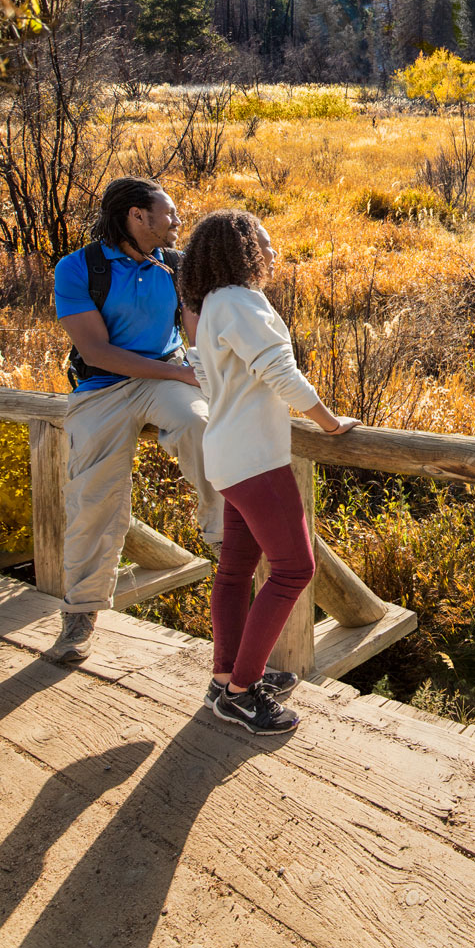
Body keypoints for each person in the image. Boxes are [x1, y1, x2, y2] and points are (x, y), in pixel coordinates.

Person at [181, 208, 358, 735]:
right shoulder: (241, 300)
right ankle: (240, 693)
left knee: (235, 572)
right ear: (242, 250)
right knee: (294, 570)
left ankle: (224, 677)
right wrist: (328, 422)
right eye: (265, 241)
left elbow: (210, 382)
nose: (274, 251)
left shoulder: (212, 303)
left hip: (228, 458)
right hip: (256, 461)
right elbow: (280, 370)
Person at [50, 176, 225, 664]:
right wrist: (181, 374)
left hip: (165, 379)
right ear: (137, 216)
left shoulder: (176, 266)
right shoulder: (77, 269)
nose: (176, 221)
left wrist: (206, 374)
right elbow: (96, 351)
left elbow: (195, 330)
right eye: (168, 213)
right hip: (103, 387)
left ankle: (223, 538)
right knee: (92, 496)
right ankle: (80, 615)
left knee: (202, 428)